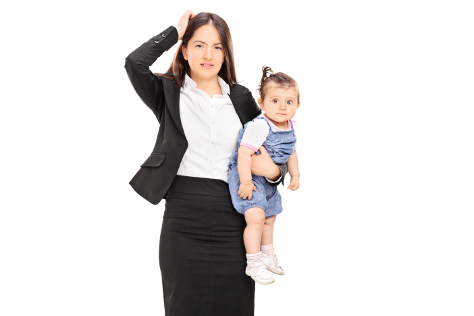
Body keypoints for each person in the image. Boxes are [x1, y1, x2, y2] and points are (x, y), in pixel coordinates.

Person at [124, 10, 289, 316]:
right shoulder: (167, 91)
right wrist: (175, 31)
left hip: (234, 217)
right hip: (183, 220)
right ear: (184, 51)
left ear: (225, 54)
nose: (208, 55)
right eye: (199, 45)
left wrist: (275, 173)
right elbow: (134, 63)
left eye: (217, 47)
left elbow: (273, 149)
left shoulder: (240, 99)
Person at [227, 66, 301, 285]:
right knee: (256, 218)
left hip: (269, 180)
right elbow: (243, 154)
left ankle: (268, 254)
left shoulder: (291, 127)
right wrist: (247, 182)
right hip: (246, 175)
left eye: (289, 102)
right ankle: (254, 262)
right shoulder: (260, 125)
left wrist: (295, 175)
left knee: (270, 218)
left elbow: (292, 153)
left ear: (297, 104)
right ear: (262, 103)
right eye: (275, 101)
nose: (282, 107)